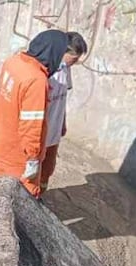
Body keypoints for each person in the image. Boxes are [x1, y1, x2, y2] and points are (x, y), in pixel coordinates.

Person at [0, 29, 70, 197]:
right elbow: (32, 126)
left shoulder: (12, 62)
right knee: (21, 202)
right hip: (19, 157)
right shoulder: (36, 80)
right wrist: (33, 159)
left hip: (2, 143)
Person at [40, 32, 87, 193]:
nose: (74, 63)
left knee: (47, 169)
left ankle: (40, 196)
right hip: (40, 130)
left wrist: (63, 122)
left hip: (54, 130)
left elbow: (63, 99)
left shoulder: (66, 69)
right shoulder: (45, 70)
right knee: (32, 168)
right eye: (73, 58)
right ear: (62, 51)